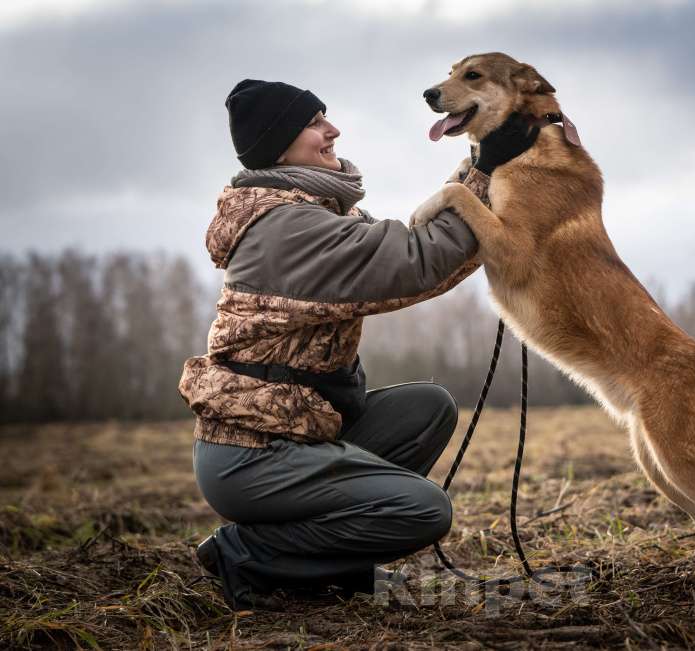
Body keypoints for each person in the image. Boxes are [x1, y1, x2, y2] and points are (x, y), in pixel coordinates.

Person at [177, 79, 538, 610]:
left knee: (426, 408)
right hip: (252, 457)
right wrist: (485, 170)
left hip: (296, 431)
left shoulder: (309, 213)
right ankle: (247, 552)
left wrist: (481, 162)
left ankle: (328, 566)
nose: (333, 130)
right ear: (279, 144)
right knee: (423, 511)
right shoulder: (288, 229)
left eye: (327, 117)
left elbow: (427, 260)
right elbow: (418, 259)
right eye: (314, 122)